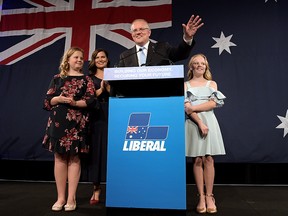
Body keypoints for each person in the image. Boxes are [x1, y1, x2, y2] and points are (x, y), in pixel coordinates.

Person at [42, 47, 96, 212]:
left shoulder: (87, 80)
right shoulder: (58, 78)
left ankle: (71, 198)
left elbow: (91, 101)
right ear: (68, 60)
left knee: (74, 159)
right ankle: (60, 197)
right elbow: (46, 102)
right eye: (76, 57)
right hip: (58, 123)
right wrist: (57, 99)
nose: (80, 60)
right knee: (59, 158)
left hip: (77, 124)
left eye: (81, 58)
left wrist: (74, 103)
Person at [184, 54, 226, 214]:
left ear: (206, 66)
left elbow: (214, 103)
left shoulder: (211, 83)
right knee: (197, 160)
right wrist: (199, 122)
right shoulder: (186, 85)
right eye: (196, 63)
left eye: (202, 63)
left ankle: (210, 196)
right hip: (194, 123)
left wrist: (194, 107)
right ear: (191, 67)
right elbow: (186, 108)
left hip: (210, 122)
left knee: (209, 159)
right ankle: (201, 196)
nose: (200, 65)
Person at [117, 15, 204, 67]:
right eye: (135, 30)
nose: (138, 32)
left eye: (142, 29)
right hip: (134, 96)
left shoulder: (162, 48)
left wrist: (187, 38)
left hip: (160, 95)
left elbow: (180, 54)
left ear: (149, 32)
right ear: (132, 34)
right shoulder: (125, 56)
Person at [85, 48, 110, 205]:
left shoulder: (115, 75)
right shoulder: (88, 79)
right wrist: (100, 89)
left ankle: (116, 186)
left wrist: (109, 88)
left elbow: (121, 94)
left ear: (108, 59)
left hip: (114, 113)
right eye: (97, 57)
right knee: (97, 151)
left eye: (103, 57)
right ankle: (96, 188)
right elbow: (87, 99)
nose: (101, 59)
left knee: (112, 151)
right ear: (93, 61)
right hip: (96, 116)